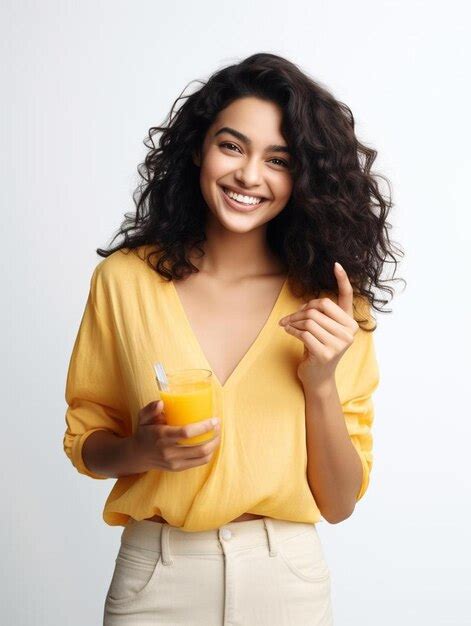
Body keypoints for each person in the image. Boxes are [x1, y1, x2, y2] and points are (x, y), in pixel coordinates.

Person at [63, 52, 401, 625]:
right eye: (232, 146)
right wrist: (141, 451)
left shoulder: (333, 306)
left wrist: (319, 382)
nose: (250, 175)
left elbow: (338, 503)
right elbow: (86, 439)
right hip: (156, 576)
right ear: (199, 148)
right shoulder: (125, 281)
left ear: (303, 177)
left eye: (279, 159)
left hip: (286, 580)